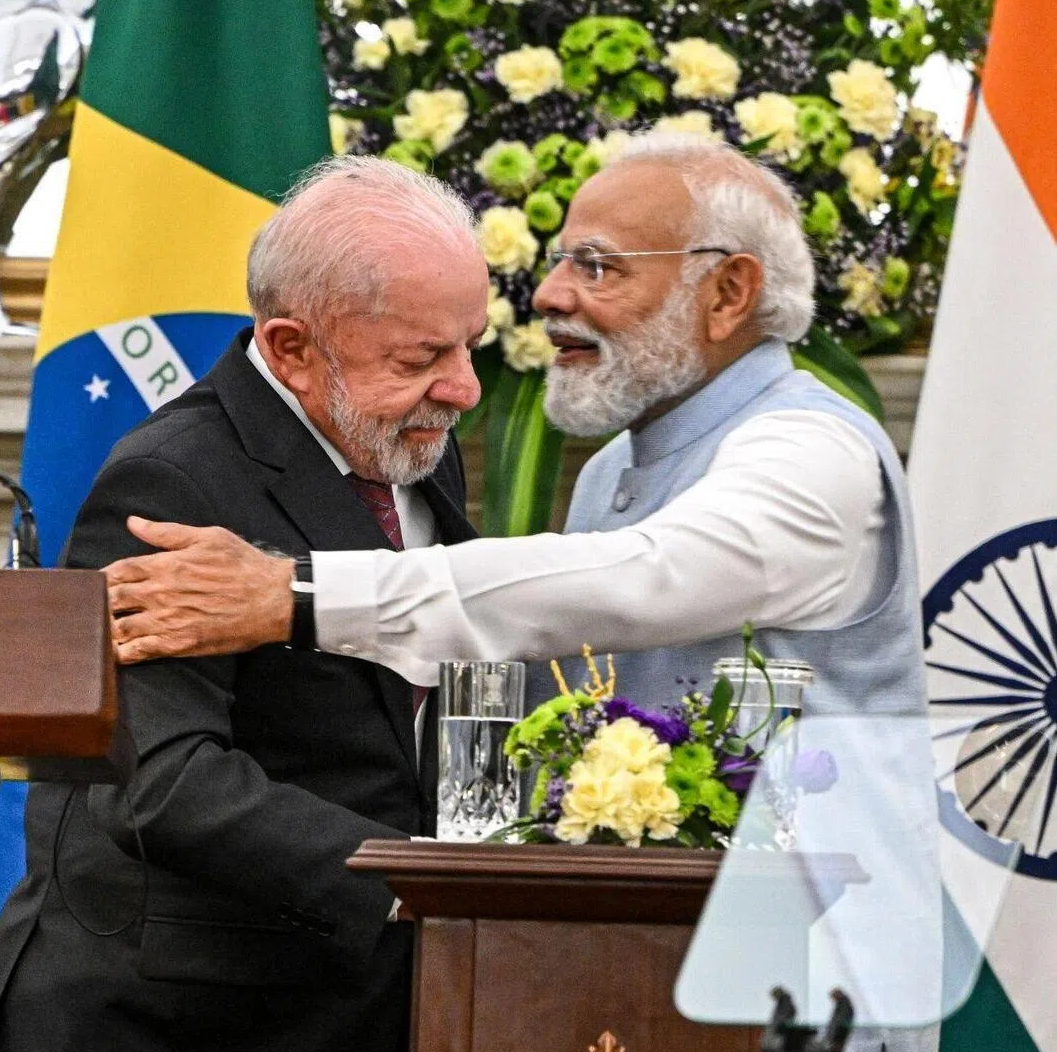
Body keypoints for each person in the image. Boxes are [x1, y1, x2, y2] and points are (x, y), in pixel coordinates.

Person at [107, 133, 926, 722]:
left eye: (597, 266)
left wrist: (297, 595)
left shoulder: (817, 449)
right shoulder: (611, 469)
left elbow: (644, 580)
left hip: (812, 943)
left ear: (728, 293)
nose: (549, 295)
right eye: (561, 260)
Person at [0, 156, 487, 1052]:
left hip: (356, 1003)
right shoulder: (173, 478)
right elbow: (162, 778)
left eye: (469, 346)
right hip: (173, 1028)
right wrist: (420, 881)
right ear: (290, 348)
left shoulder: (411, 442)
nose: (464, 389)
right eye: (421, 358)